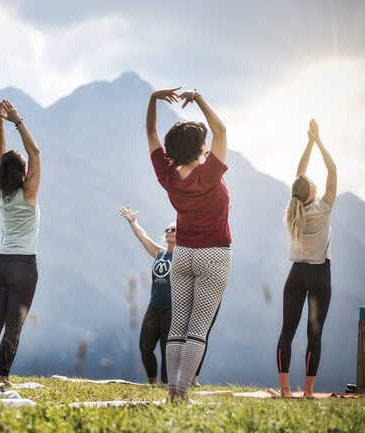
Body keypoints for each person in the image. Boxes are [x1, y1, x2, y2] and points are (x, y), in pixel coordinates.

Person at [146, 87, 232, 401]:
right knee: (197, 328)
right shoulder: (210, 173)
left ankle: (172, 391)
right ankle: (182, 391)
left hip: (182, 255)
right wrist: (198, 99)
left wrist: (153, 99)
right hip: (214, 256)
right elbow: (221, 129)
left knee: (178, 326)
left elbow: (151, 131)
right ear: (200, 148)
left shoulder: (167, 175)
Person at [276, 119, 336, 398]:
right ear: (312, 192)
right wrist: (319, 140)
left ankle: (286, 389)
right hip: (319, 274)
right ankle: (309, 392)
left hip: (296, 274)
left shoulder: (293, 209)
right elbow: (332, 170)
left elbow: (300, 175)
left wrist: (309, 142)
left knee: (287, 330)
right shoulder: (323, 209)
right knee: (315, 333)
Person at [0, 99, 41, 388]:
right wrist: (17, 121)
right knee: (13, 328)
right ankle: (3, 380)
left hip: (0, 263)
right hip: (24, 265)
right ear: (22, 172)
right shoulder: (29, 193)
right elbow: (36, 152)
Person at [120, 205, 174, 385]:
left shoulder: (183, 257)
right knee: (145, 347)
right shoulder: (159, 253)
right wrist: (133, 221)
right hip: (154, 308)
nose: (170, 232)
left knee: (168, 350)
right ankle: (152, 383)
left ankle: (167, 386)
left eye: (174, 230)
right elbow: (143, 237)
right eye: (168, 230)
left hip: (172, 310)